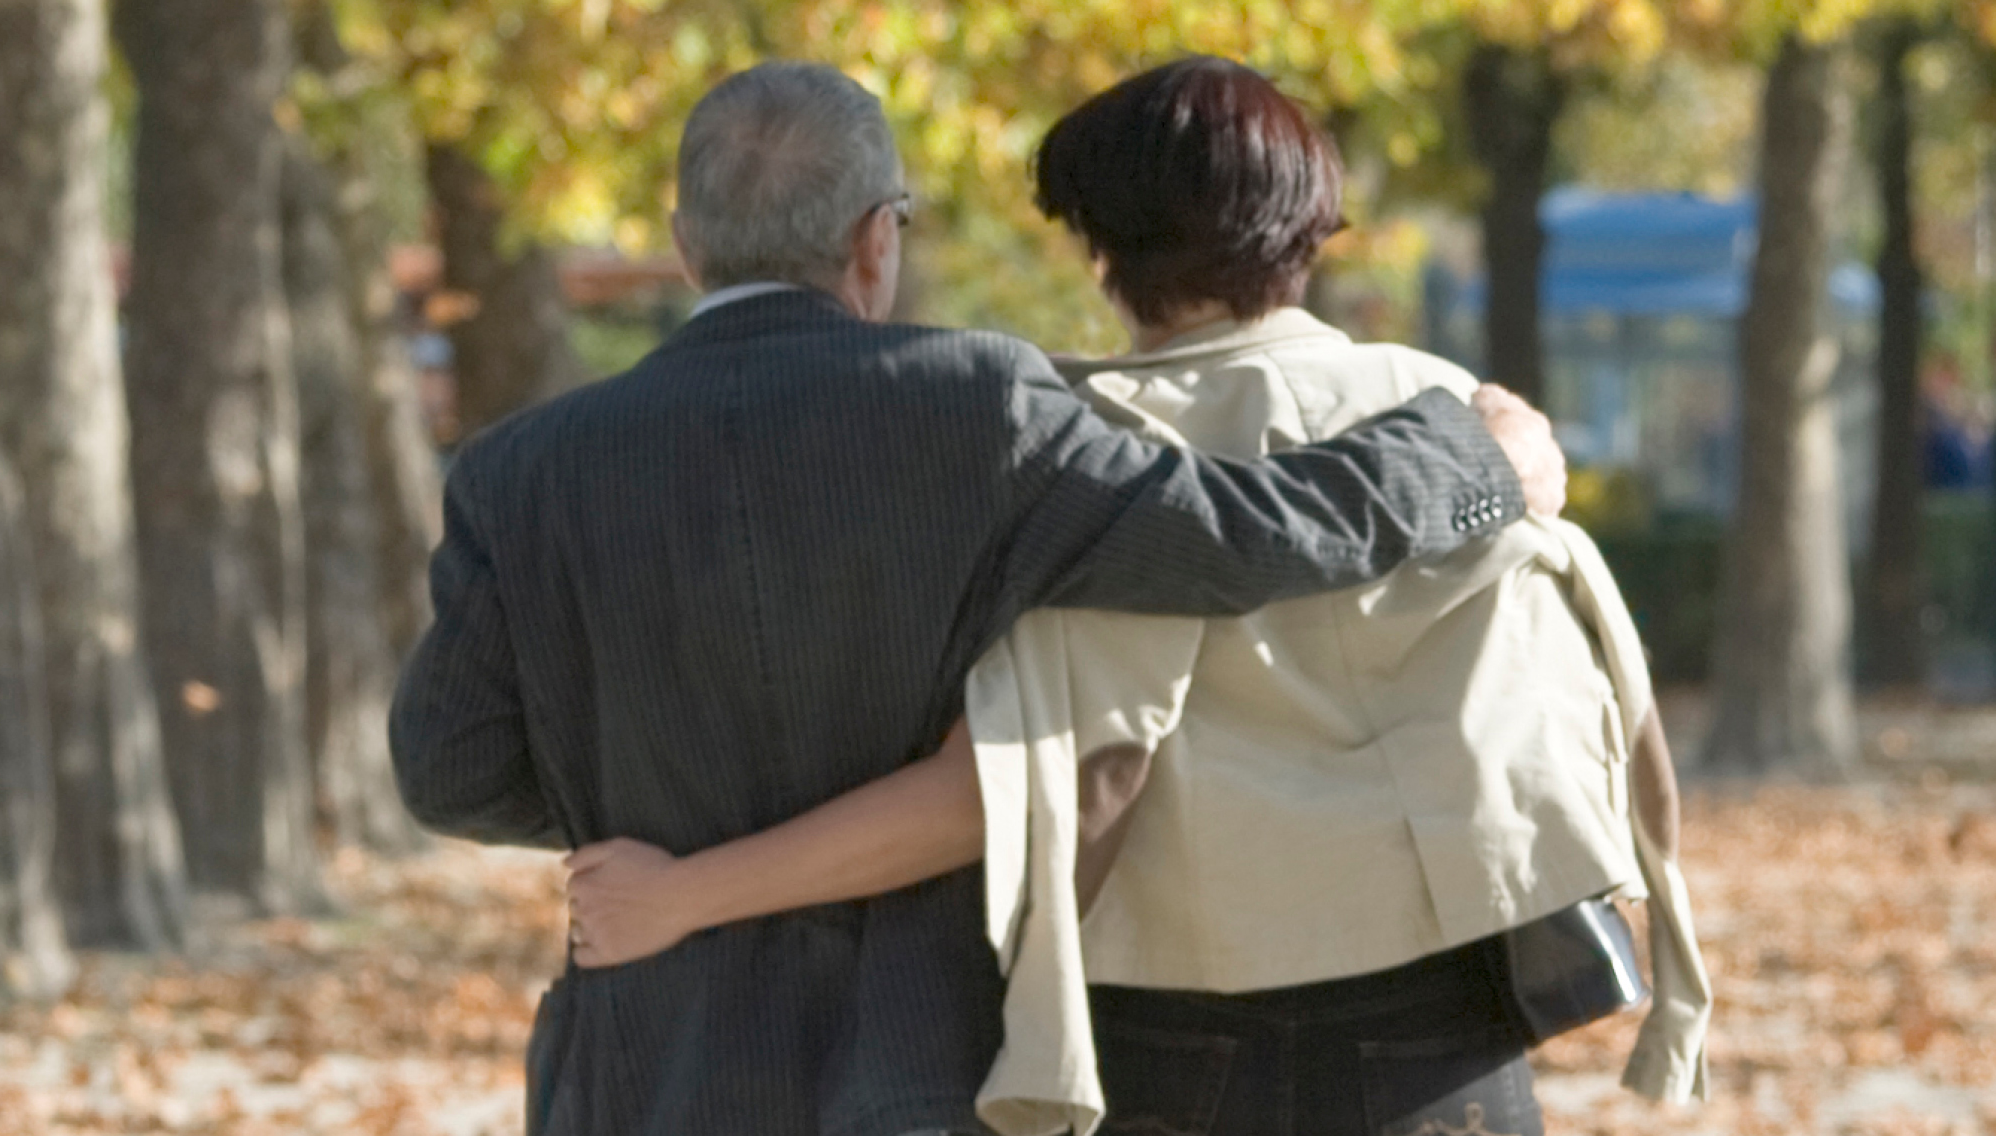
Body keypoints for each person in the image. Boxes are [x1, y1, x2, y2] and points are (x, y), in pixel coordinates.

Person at [389, 61, 1574, 1136]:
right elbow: (1237, 539)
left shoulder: (519, 470)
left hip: (640, 1064)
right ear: (875, 238)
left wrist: (641, 786)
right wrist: (1472, 465)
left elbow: (454, 771)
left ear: (684, 243)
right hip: (909, 1061)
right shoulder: (975, 407)